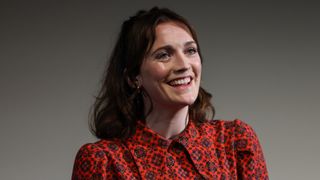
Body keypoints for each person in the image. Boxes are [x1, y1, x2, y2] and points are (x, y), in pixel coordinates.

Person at [72, 7, 269, 179]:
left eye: (190, 51)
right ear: (133, 77)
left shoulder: (235, 142)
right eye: (164, 55)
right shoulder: (103, 162)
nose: (184, 65)